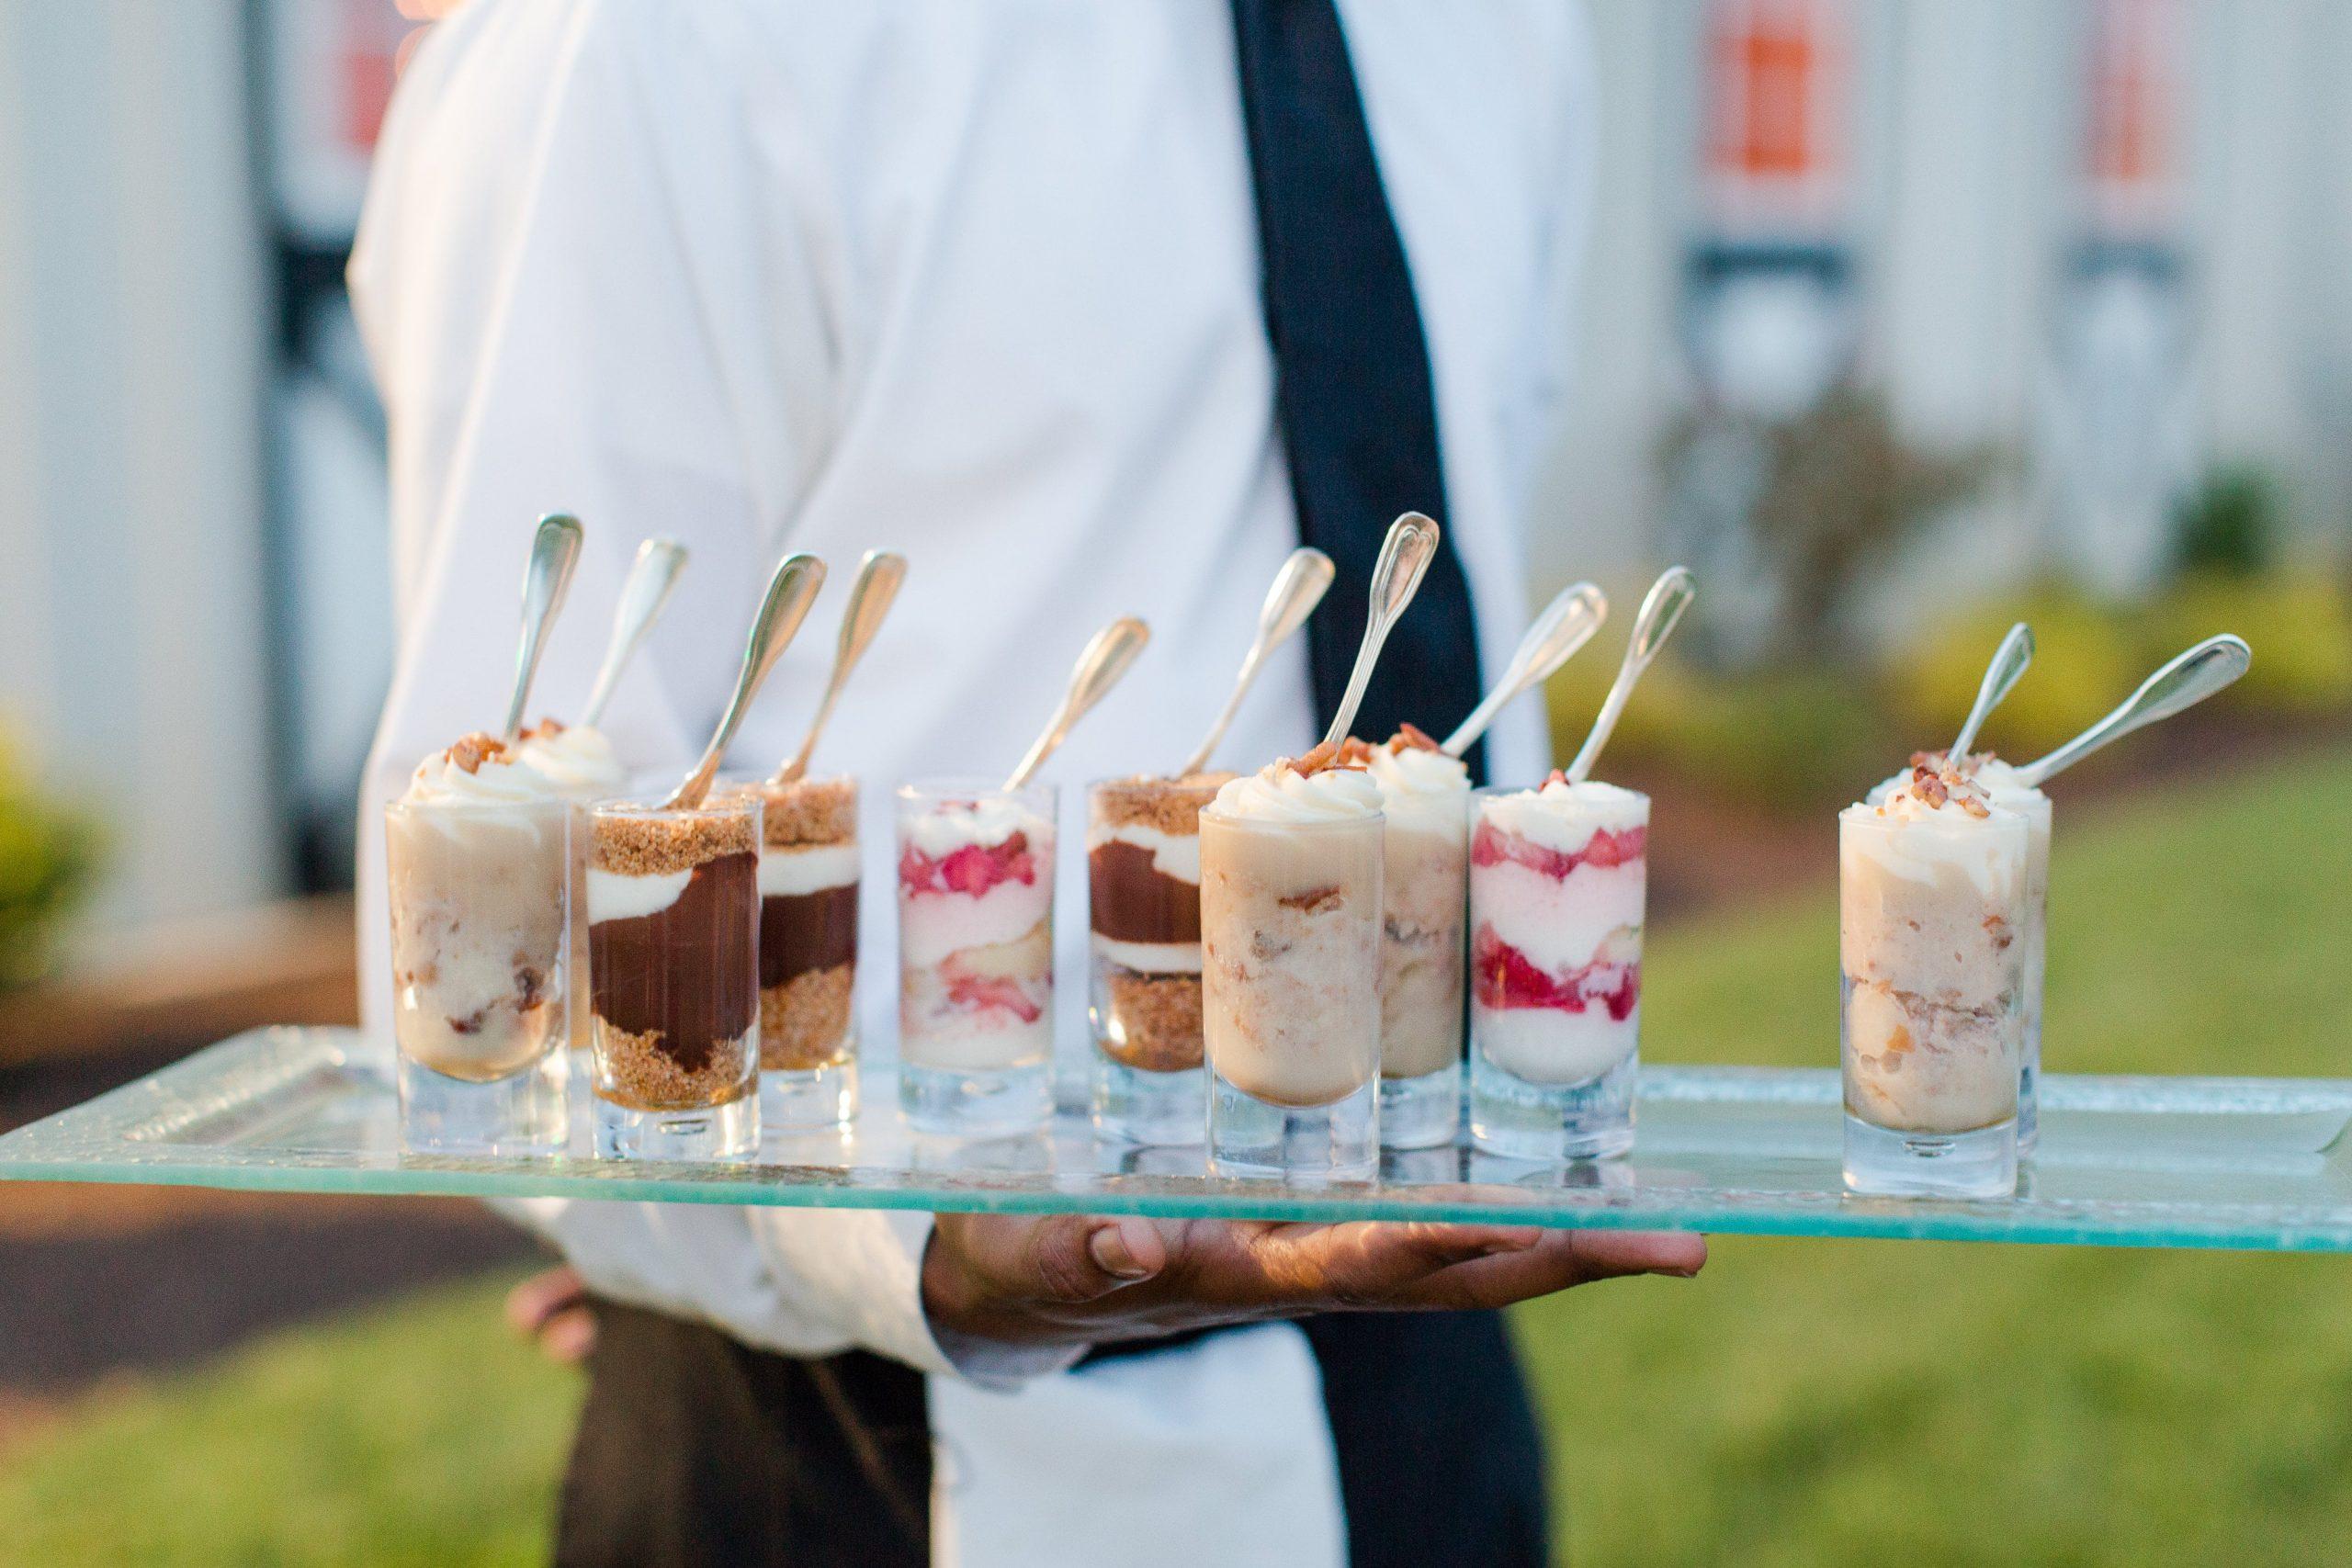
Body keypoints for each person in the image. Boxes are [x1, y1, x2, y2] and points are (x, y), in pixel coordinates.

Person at [351, 2, 1705, 1564]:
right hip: (856, 1441)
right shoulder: (650, 43)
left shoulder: (1501, 34)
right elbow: (497, 874)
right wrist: (757, 1227)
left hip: (1431, 1389)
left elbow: (1444, 532)